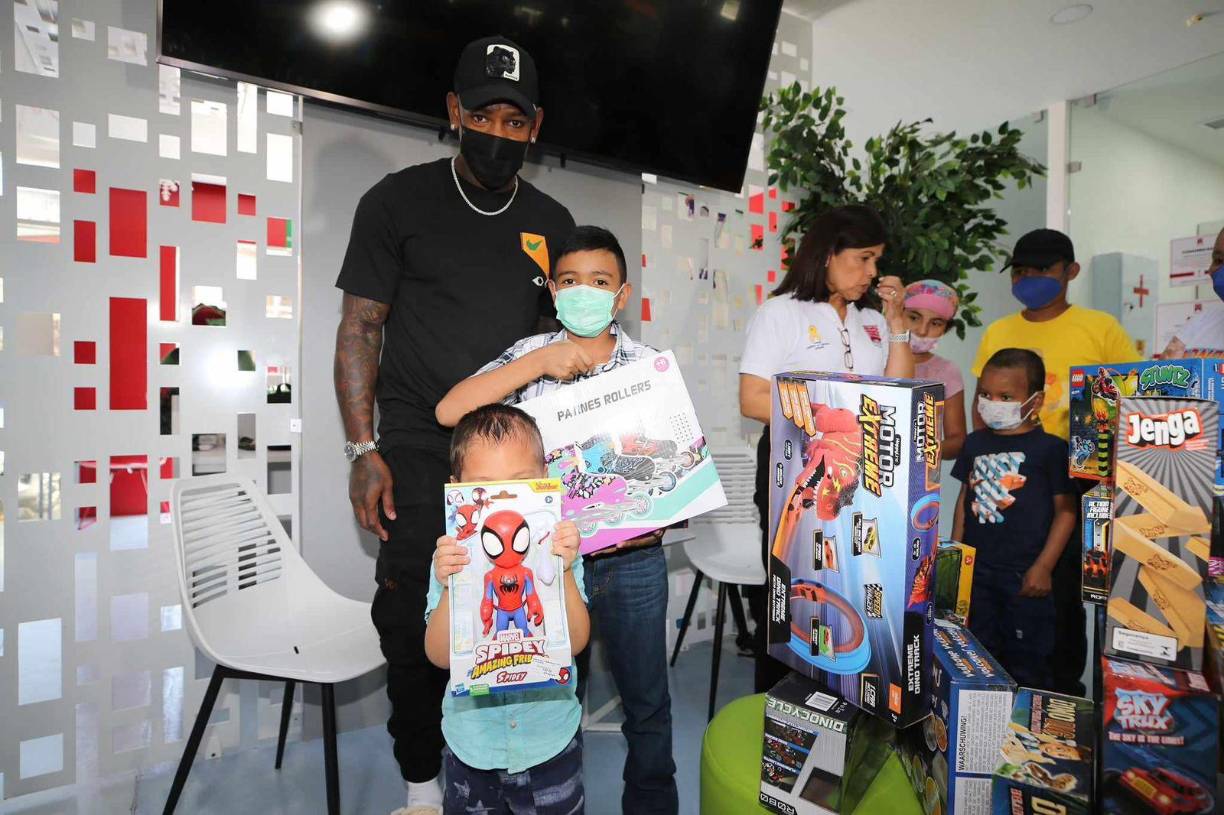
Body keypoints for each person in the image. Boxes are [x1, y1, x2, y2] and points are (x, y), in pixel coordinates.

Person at [332, 35, 575, 815]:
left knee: (524, 607)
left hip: (511, 457)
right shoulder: (395, 202)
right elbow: (360, 327)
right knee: (412, 617)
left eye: (514, 119)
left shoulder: (552, 220)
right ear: (454, 113)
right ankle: (422, 786)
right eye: (483, 114)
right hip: (414, 445)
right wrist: (362, 448)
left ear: (535, 126)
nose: (498, 132)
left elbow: (556, 352)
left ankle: (515, 762)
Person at [437, 226, 680, 814]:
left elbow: (674, 469)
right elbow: (449, 410)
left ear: (621, 295)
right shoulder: (529, 355)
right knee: (559, 691)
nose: (584, 293)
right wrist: (540, 361)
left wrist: (660, 518)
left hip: (631, 560)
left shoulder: (650, 368)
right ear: (552, 289)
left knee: (647, 701)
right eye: (570, 281)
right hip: (542, 560)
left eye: (600, 283)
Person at [738, 204, 913, 693]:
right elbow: (753, 399)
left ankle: (850, 701)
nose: (872, 272)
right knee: (789, 593)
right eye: (863, 258)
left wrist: (896, 322)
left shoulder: (870, 322)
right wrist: (832, 419)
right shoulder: (782, 312)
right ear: (828, 254)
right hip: (795, 473)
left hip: (859, 479)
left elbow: (898, 391)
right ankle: (780, 710)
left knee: (853, 588)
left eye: (877, 260)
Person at [971, 228, 1139, 696]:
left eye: (1042, 270)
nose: (1030, 279)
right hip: (1007, 478)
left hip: (1077, 477)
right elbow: (981, 399)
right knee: (998, 589)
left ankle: (1063, 696)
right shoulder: (1000, 331)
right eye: (1021, 271)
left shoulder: (1100, 327)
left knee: (1063, 593)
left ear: (1071, 272)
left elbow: (1129, 393)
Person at [425, 404, 590, 814]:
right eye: (485, 486)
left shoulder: (560, 550)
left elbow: (579, 641)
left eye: (521, 483)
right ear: (457, 490)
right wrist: (449, 588)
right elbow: (438, 655)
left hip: (550, 741)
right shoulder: (451, 560)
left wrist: (564, 570)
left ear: (546, 482)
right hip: (472, 747)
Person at [951, 349, 1076, 691]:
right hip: (978, 572)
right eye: (986, 395)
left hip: (1025, 575)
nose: (993, 403)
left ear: (1035, 402)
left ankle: (1024, 734)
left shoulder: (1050, 449)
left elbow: (1066, 511)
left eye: (1006, 397)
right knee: (978, 654)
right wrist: (958, 553)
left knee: (1028, 662)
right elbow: (966, 499)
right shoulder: (974, 443)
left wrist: (1044, 567)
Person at [903, 279, 967, 460]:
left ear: (946, 328)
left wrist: (919, 453)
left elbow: (957, 441)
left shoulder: (946, 371)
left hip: (918, 475)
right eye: (914, 317)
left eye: (936, 323)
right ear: (898, 314)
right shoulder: (876, 357)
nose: (922, 330)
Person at [1160, 225, 1224, 359]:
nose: (1211, 269)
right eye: (1217, 260)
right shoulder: (1201, 322)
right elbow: (1159, 375)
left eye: (1218, 261)